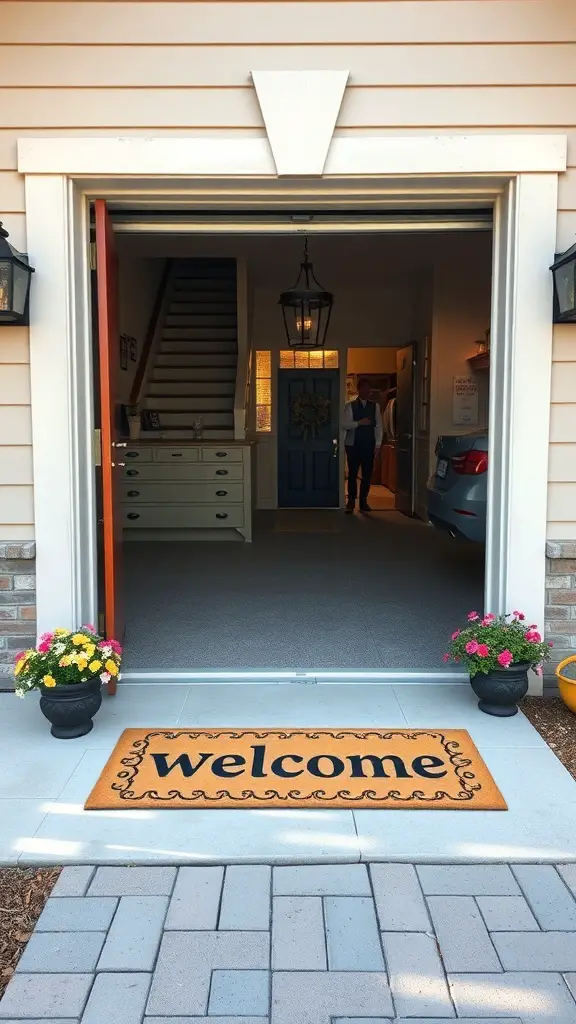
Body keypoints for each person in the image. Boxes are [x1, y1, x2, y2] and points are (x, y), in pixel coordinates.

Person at [341, 377, 383, 513]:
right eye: (364, 387)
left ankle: (364, 501)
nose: (367, 390)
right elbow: (344, 424)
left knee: (367, 474)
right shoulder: (350, 406)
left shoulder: (375, 406)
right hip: (353, 445)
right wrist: (359, 423)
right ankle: (351, 500)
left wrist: (378, 444)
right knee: (352, 473)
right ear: (359, 390)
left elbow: (378, 426)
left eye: (369, 388)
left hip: (368, 444)